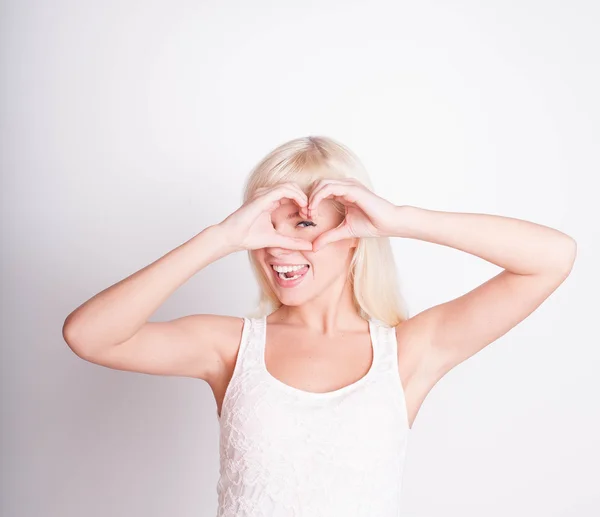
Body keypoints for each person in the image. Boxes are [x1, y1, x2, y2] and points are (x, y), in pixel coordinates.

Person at [62, 135, 577, 516]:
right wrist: (219, 237)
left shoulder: (408, 353)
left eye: (303, 225)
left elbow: (552, 257)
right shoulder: (230, 346)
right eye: (265, 226)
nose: (277, 247)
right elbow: (88, 334)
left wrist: (399, 219)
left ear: (353, 231)